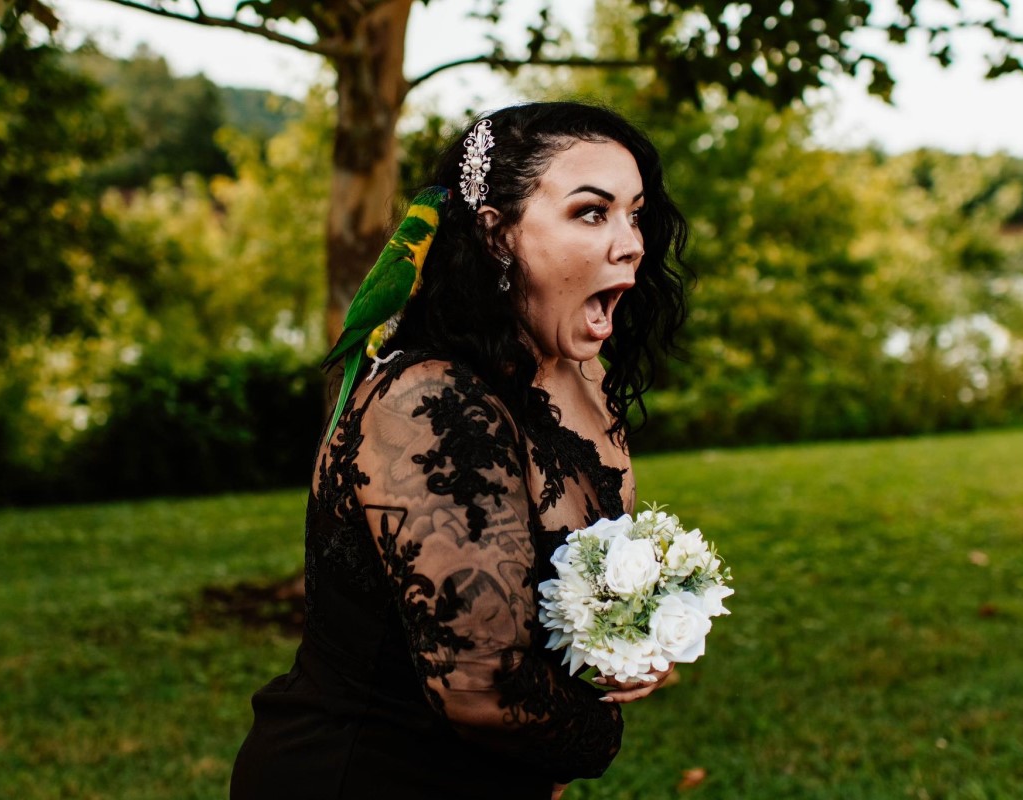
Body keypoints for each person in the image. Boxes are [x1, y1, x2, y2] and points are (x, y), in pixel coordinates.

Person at [230, 101, 689, 799]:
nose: (630, 243)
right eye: (591, 213)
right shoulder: (429, 406)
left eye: (635, 213)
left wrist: (638, 635)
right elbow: (483, 690)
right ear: (496, 234)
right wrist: (600, 732)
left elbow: (577, 572)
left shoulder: (579, 373)